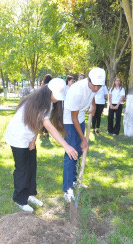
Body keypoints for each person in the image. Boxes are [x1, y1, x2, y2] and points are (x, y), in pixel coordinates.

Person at [5, 78, 78, 212]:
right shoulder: (39, 102)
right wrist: (66, 146)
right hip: (18, 136)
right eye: (57, 95)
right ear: (50, 91)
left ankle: (29, 194)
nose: (58, 99)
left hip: (28, 136)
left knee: (31, 167)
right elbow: (47, 126)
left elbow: (35, 123)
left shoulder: (48, 101)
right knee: (22, 169)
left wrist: (33, 140)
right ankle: (19, 199)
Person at [63, 67, 105, 202]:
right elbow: (73, 117)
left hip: (79, 118)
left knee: (79, 152)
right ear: (88, 80)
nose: (97, 88)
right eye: (95, 85)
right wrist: (83, 139)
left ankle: (74, 179)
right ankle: (67, 189)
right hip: (69, 120)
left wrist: (93, 106)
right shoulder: (76, 91)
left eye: (100, 86)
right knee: (71, 152)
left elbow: (93, 94)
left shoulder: (94, 87)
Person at [40, 74, 53, 139]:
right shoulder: (50, 87)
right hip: (48, 104)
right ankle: (46, 133)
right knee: (47, 119)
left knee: (42, 119)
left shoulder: (42, 86)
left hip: (42, 104)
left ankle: (41, 133)